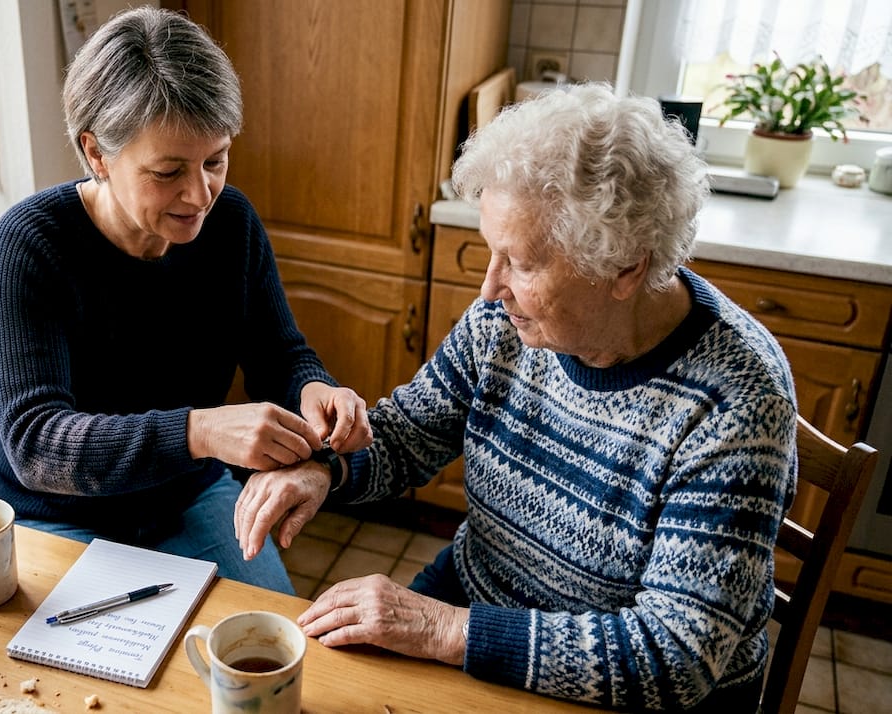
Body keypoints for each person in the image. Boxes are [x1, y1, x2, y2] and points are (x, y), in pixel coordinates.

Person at [233, 83, 797, 710]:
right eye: (490, 252)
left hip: (630, 689)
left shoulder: (737, 402)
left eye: (522, 263)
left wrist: (443, 629)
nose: (488, 289)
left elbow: (673, 657)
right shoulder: (506, 323)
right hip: (482, 601)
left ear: (625, 266)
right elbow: (408, 433)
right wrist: (325, 469)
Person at [0, 7, 370, 596]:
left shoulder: (232, 221)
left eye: (215, 161)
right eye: (167, 171)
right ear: (97, 154)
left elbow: (278, 353)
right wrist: (199, 432)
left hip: (189, 495)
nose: (200, 194)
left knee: (273, 652)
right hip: (60, 513)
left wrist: (315, 388)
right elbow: (37, 445)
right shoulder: (30, 244)